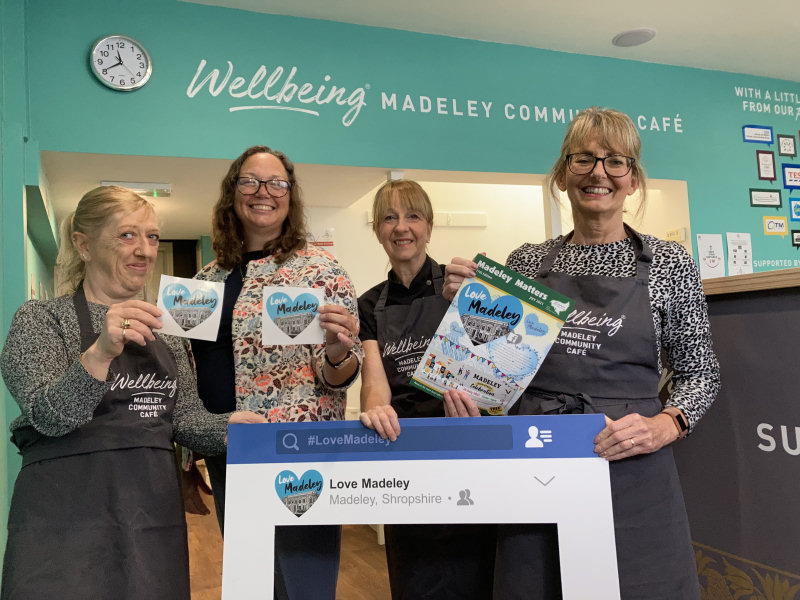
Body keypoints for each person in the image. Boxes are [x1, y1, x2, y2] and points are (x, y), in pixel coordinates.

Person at [443, 107, 721, 599]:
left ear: (632, 179)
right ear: (562, 174)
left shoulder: (668, 263)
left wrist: (665, 425)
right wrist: (465, 316)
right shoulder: (526, 263)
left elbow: (700, 371)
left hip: (634, 468)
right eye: (584, 159)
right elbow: (496, 371)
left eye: (616, 161)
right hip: (539, 465)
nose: (598, 173)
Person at [0, 186, 261, 600]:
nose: (144, 250)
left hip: (149, 518)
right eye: (127, 235)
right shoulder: (40, 320)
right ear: (83, 245)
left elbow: (185, 421)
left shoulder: (169, 335)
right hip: (62, 525)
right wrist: (100, 351)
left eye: (152, 236)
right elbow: (48, 416)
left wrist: (233, 426)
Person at [190, 145, 362, 599]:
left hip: (300, 449)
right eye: (249, 181)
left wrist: (337, 352)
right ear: (233, 193)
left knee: (304, 581)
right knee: (252, 577)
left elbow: (342, 372)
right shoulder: (206, 280)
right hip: (229, 446)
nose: (263, 192)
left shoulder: (322, 271)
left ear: (290, 195)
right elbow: (194, 367)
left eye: (277, 183)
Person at [358, 179, 495, 599]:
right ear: (379, 231)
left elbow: (495, 368)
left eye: (413, 216)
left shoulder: (460, 287)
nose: (402, 227)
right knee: (413, 575)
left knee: (474, 573)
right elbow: (375, 386)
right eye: (389, 217)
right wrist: (376, 412)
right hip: (406, 455)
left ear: (430, 228)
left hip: (466, 445)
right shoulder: (369, 304)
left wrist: (476, 301)